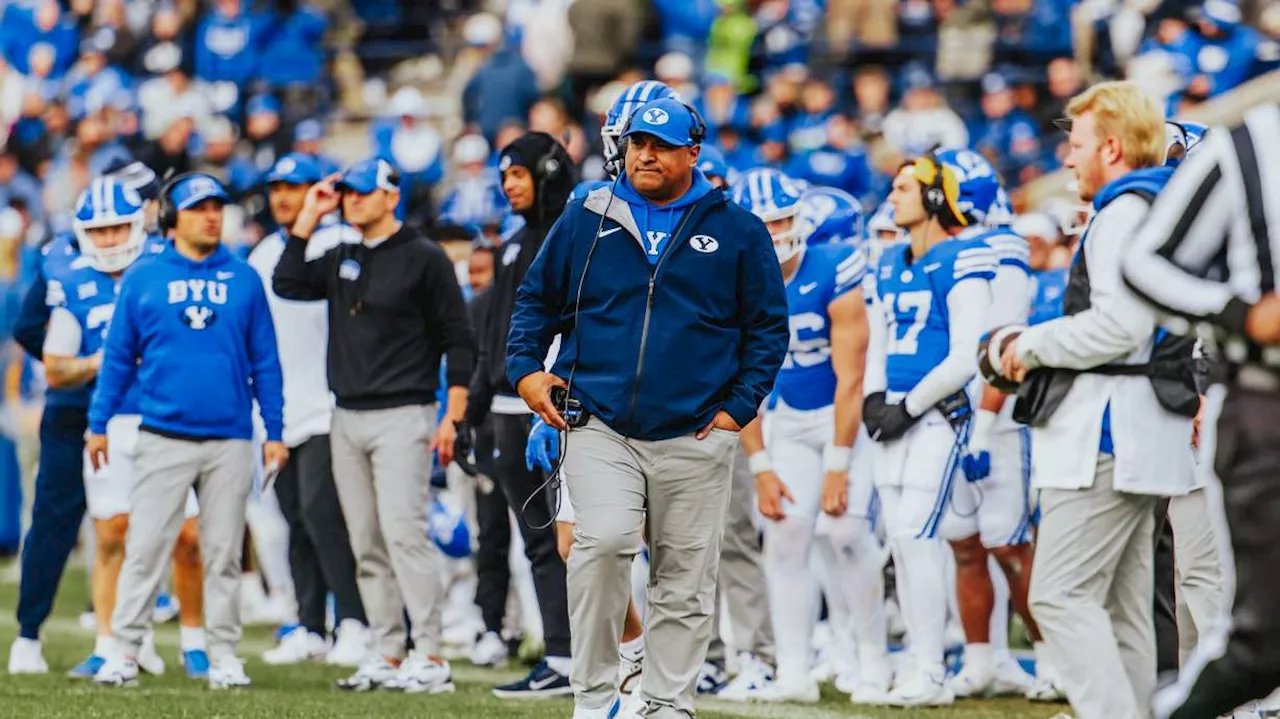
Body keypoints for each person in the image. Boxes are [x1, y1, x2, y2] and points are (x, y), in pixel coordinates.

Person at [507, 96, 789, 719]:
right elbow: (535, 300)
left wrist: (735, 411)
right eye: (638, 143)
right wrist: (525, 370)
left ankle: (667, 704)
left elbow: (768, 330)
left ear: (694, 152)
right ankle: (595, 698)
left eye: (662, 146)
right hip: (600, 420)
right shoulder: (586, 214)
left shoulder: (738, 229)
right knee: (601, 543)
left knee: (684, 580)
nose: (647, 155)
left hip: (695, 430)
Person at [995, 81, 1198, 719]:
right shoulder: (1160, 204)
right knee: (1124, 608)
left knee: (1056, 595)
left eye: (1077, 144)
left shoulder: (1122, 212)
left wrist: (1028, 343)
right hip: (1143, 427)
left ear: (1111, 148)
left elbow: (1118, 328)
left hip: (1108, 431)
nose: (1067, 157)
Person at [272, 157, 474, 694]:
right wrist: (309, 216)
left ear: (391, 196)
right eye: (348, 193)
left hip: (404, 414)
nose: (352, 200)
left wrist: (453, 414)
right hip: (346, 415)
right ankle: (387, 652)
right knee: (365, 540)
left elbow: (458, 338)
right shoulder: (344, 253)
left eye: (362, 192)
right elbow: (288, 281)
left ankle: (429, 652)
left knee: (404, 533)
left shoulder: (425, 257)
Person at [87, 173, 286, 690]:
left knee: (223, 552)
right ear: (173, 218)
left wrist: (275, 431)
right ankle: (125, 650)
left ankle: (223, 654)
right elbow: (117, 359)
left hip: (230, 436)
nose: (212, 216)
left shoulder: (244, 278)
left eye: (217, 207)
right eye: (199, 208)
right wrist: (98, 423)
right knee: (145, 547)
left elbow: (266, 360)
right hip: (163, 433)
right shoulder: (143, 277)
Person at [1121, 102, 1280, 719]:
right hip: (1264, 400)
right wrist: (1242, 314)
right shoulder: (1250, 145)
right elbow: (1144, 264)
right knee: (1260, 638)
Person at [732, 168, 890, 704]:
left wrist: (839, 463)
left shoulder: (833, 265)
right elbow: (741, 384)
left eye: (782, 220)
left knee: (845, 533)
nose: (775, 233)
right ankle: (795, 670)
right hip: (788, 419)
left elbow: (851, 378)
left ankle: (873, 662)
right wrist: (760, 466)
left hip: (841, 415)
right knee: (786, 537)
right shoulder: (735, 282)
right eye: (764, 224)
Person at [54, 177, 210, 681]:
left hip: (170, 417)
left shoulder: (169, 269)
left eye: (117, 228)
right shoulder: (72, 280)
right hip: (111, 419)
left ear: (137, 224)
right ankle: (108, 643)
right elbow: (55, 365)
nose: (108, 239)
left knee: (188, 535)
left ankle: (194, 640)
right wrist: (105, 361)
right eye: (98, 231)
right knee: (111, 534)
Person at [862, 154, 996, 707]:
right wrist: (874, 398)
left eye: (903, 187)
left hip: (938, 414)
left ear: (936, 196)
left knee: (917, 537)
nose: (893, 196)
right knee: (900, 540)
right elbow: (879, 341)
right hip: (895, 411)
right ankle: (922, 664)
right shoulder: (889, 260)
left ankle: (933, 672)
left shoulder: (964, 256)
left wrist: (910, 407)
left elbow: (967, 355)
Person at [462, 131, 576, 698]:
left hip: (553, 408)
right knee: (537, 541)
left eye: (518, 174)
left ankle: (587, 654)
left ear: (547, 173)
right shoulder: (511, 245)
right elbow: (493, 338)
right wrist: (473, 410)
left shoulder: (572, 234)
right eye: (503, 176)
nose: (509, 185)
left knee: (573, 539)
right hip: (506, 410)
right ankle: (561, 654)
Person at [245, 153, 370, 668]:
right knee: (294, 516)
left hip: (329, 401)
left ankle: (355, 622)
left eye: (293, 187)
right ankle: (310, 624)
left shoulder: (340, 243)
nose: (282, 196)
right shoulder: (262, 253)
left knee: (323, 514)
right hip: (280, 408)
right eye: (276, 187)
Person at [931, 148, 1044, 700]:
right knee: (964, 543)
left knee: (1010, 546)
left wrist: (982, 427)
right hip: (949, 415)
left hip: (996, 419)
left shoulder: (1003, 248)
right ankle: (983, 658)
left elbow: (1005, 348)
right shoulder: (937, 249)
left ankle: (1052, 657)